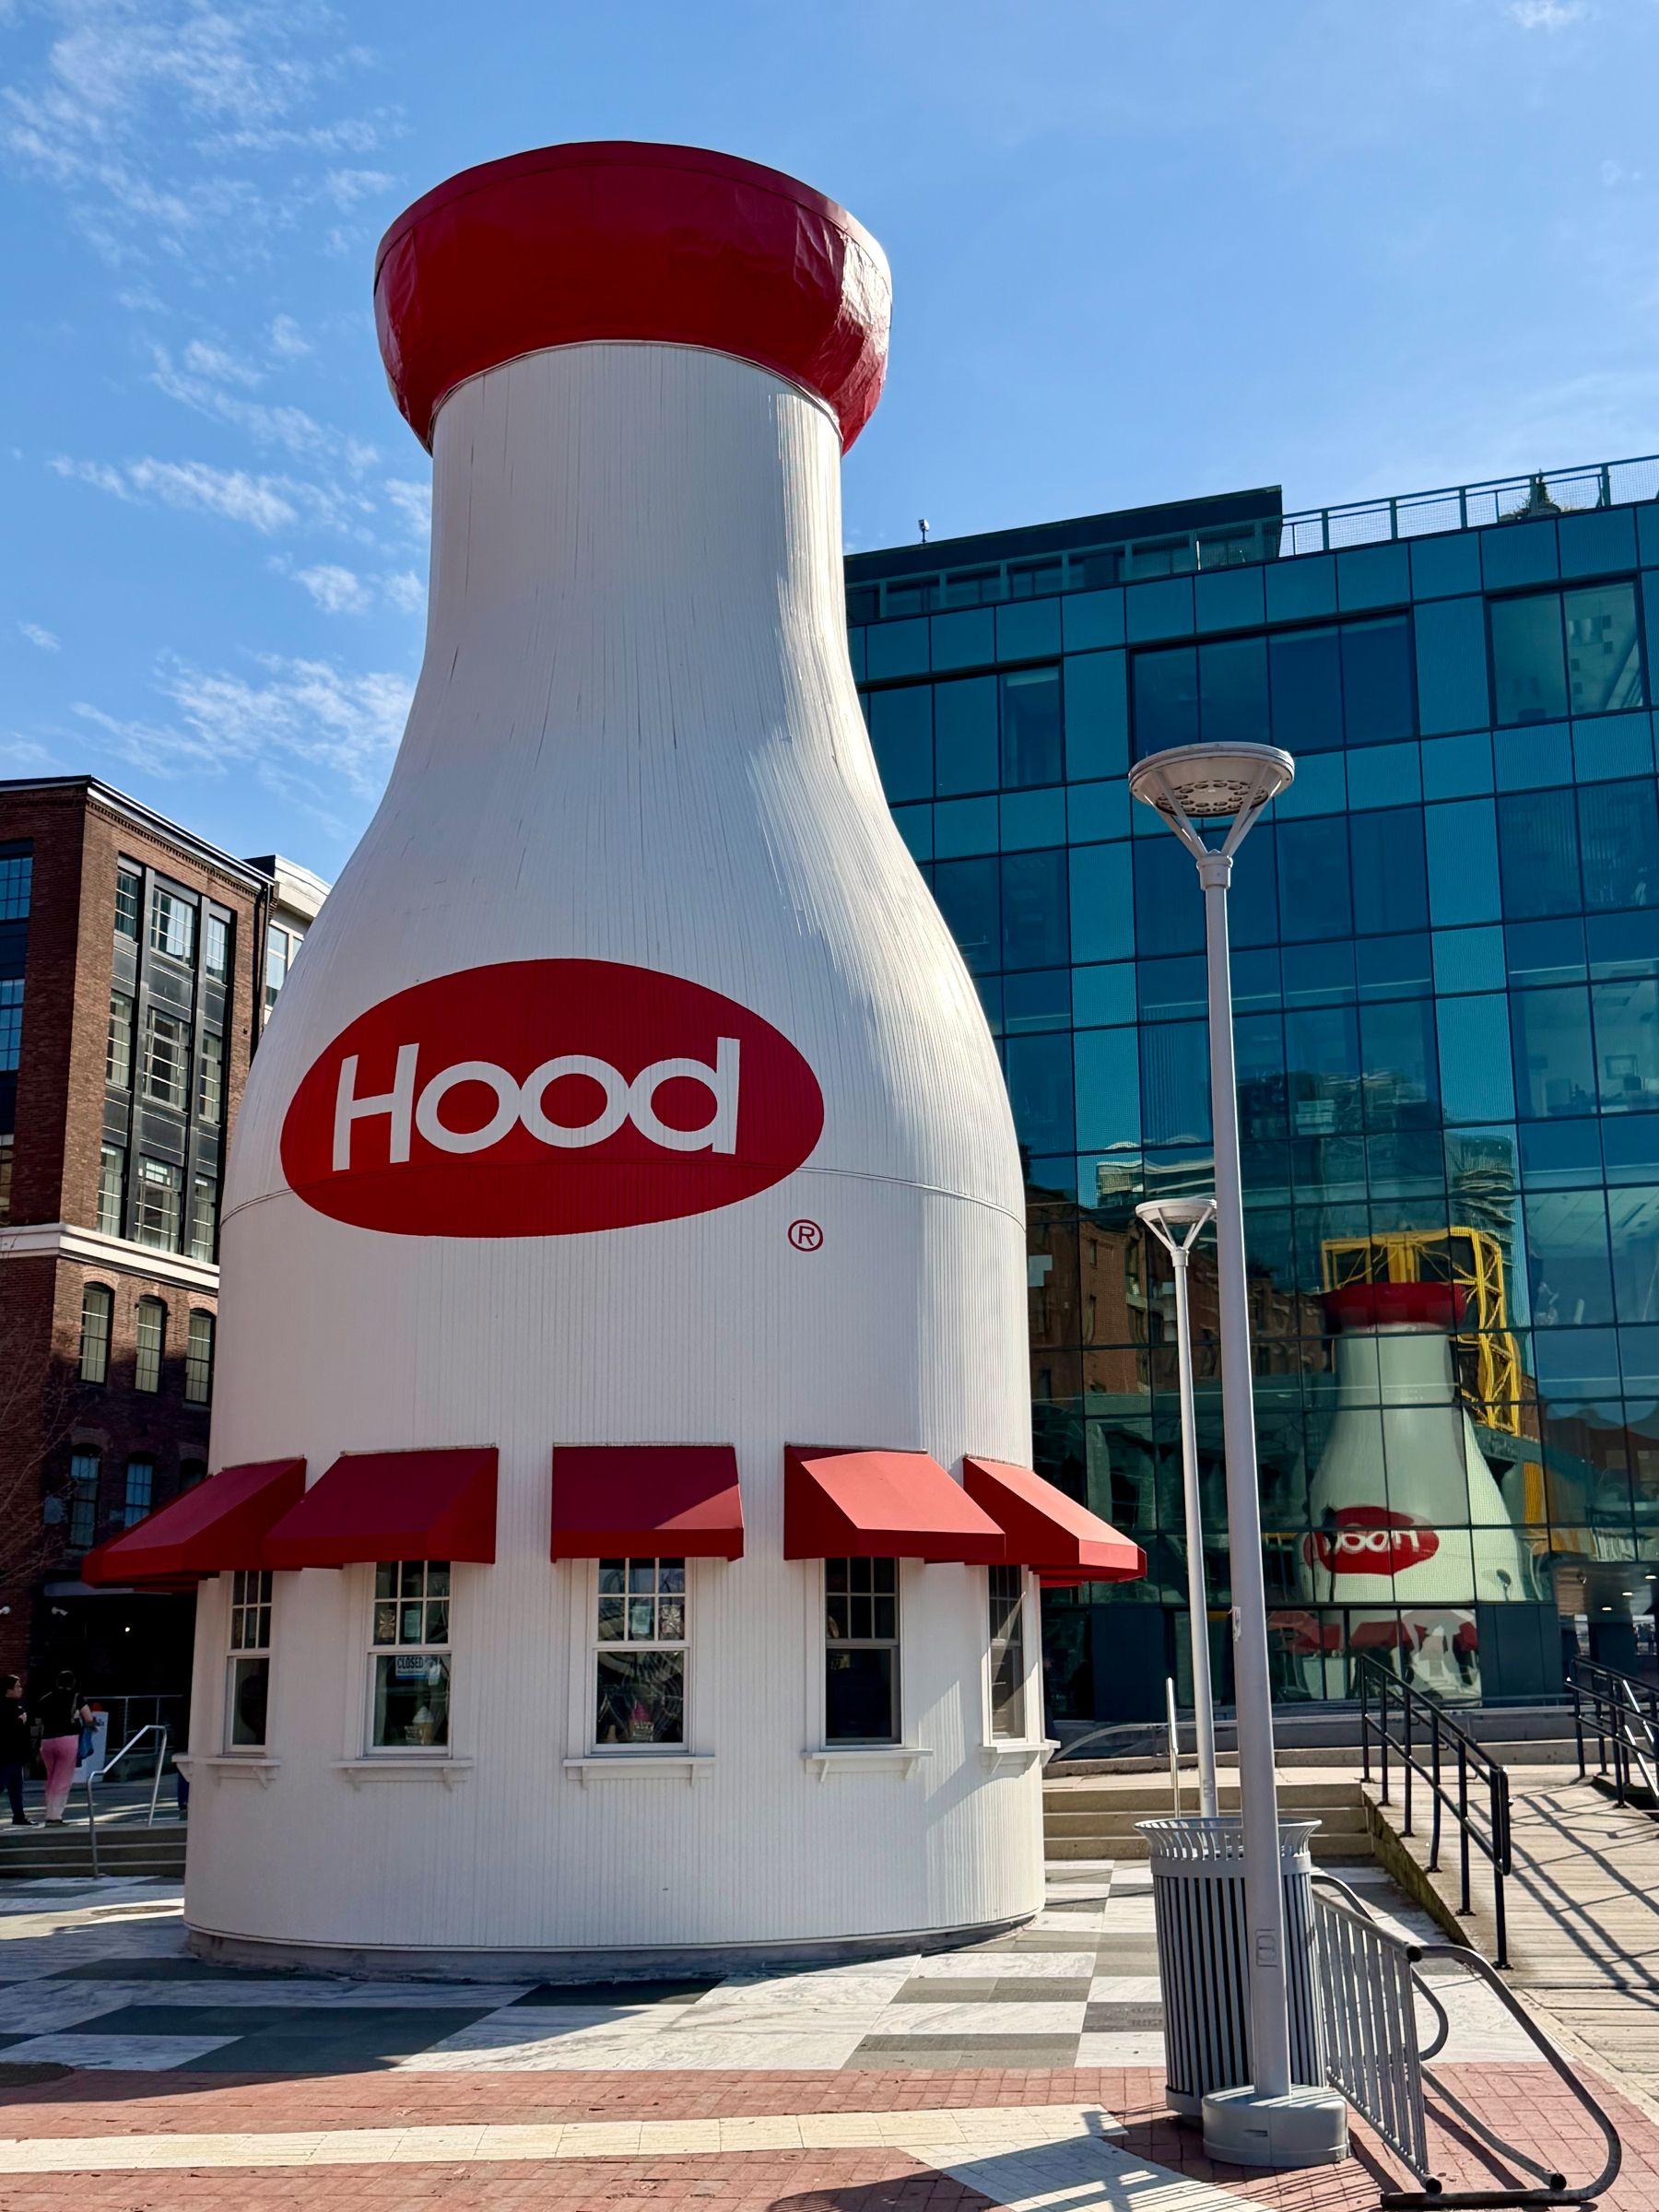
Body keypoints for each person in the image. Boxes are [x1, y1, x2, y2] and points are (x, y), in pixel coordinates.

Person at [35, 1670, 92, 1826]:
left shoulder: (44, 1699)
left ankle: (49, 1811)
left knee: (51, 1778)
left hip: (47, 1742)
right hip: (67, 1740)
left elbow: (36, 1723)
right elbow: (89, 1719)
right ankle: (54, 1816)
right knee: (62, 1779)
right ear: (72, 1683)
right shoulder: (76, 1697)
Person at [0, 1676, 30, 1826]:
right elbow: (5, 1728)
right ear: (8, 1691)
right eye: (17, 1686)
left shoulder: (17, 1706)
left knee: (16, 1787)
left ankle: (19, 1815)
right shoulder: (3, 1707)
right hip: (6, 1754)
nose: (20, 1689)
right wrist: (19, 1721)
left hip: (17, 1754)